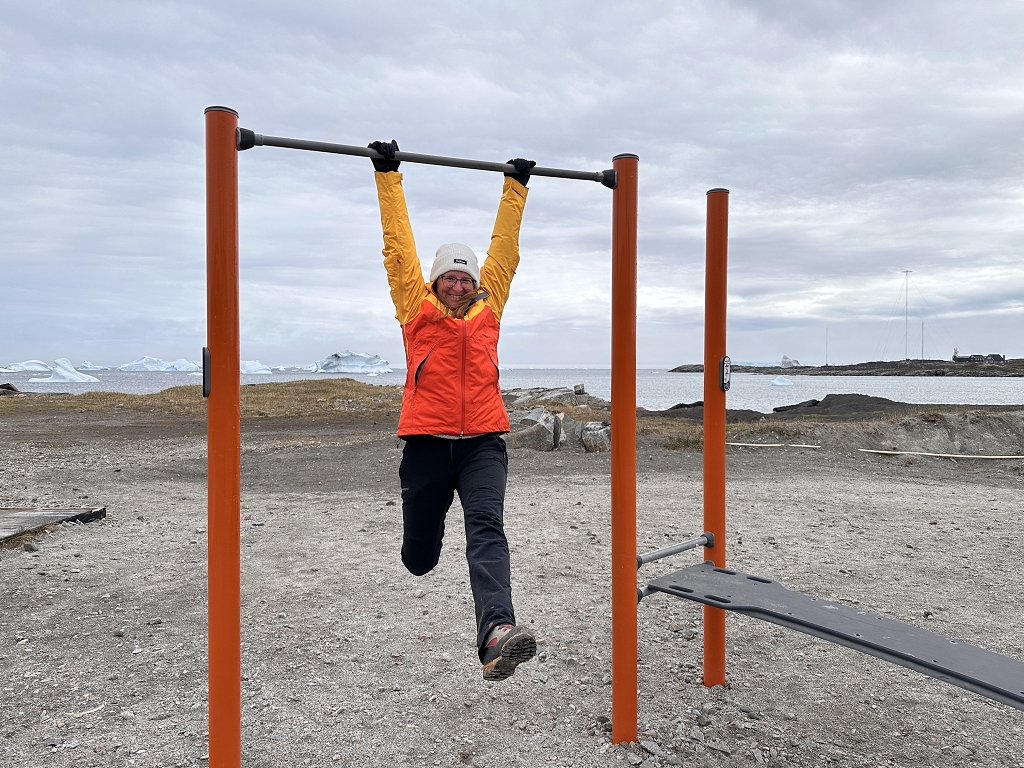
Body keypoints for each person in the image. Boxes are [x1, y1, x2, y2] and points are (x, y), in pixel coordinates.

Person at [368, 139, 538, 681]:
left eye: (467, 276)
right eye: (451, 276)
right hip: (426, 446)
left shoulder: (491, 308)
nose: (460, 284)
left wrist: (516, 189)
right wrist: (388, 178)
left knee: (486, 527)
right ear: (437, 281)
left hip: (484, 443)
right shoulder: (414, 309)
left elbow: (505, 250)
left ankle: (496, 632)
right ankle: (419, 543)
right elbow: (399, 248)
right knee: (420, 556)